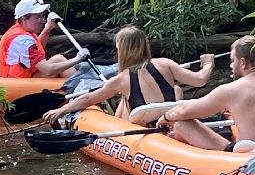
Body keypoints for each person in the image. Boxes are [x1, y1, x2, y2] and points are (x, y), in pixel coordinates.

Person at [156, 35, 255, 154]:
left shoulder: (231, 90)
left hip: (251, 156)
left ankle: (226, 153)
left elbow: (186, 111)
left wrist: (167, 117)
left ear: (243, 63)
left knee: (182, 123)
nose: (230, 66)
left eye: (232, 61)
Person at [43, 25, 214, 124]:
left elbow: (88, 99)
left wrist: (62, 110)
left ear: (122, 49)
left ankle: (115, 125)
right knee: (175, 89)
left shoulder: (121, 79)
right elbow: (200, 80)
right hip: (166, 122)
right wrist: (208, 64)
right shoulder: (165, 63)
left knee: (125, 99)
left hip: (141, 127)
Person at [0, 0, 87, 79]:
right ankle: (82, 86)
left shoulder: (22, 30)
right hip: (16, 82)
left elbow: (36, 48)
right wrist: (77, 59)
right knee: (59, 60)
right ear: (24, 19)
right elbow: (47, 70)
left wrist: (48, 28)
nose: (42, 21)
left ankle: (81, 83)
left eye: (42, 16)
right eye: (37, 18)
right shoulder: (22, 40)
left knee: (58, 59)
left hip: (25, 76)